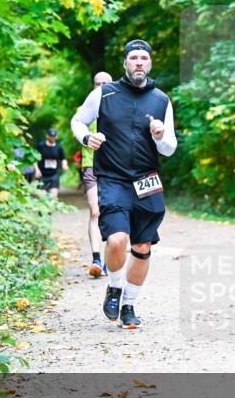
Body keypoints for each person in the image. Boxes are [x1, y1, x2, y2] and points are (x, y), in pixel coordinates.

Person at [71, 41, 177, 329]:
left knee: (142, 247)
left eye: (144, 57)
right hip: (113, 178)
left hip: (147, 180)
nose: (139, 62)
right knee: (117, 240)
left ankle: (129, 305)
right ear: (125, 63)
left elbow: (169, 148)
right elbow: (78, 121)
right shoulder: (103, 93)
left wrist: (159, 136)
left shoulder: (161, 100)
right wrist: (87, 138)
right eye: (133, 57)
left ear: (150, 63)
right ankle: (115, 287)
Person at [82, 71, 114, 278]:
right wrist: (87, 137)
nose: (101, 87)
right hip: (91, 166)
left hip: (114, 168)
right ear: (93, 86)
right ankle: (96, 260)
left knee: (113, 212)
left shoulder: (119, 108)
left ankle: (111, 259)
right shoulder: (86, 109)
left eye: (106, 83)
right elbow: (77, 129)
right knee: (95, 212)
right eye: (98, 83)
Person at [36, 128, 68, 198]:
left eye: (54, 136)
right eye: (51, 136)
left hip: (54, 174)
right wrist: (37, 170)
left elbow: (63, 158)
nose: (52, 137)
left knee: (53, 197)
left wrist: (64, 164)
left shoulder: (58, 147)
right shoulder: (41, 146)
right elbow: (35, 159)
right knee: (42, 198)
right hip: (42, 174)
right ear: (47, 136)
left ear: (56, 137)